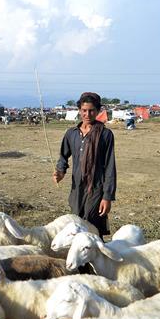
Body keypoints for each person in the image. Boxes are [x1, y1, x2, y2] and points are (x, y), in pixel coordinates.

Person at [53, 91, 116, 237]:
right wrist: (60, 171)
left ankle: (96, 256)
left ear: (98, 110)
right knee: (76, 223)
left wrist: (107, 196)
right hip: (77, 188)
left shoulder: (105, 135)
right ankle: (80, 258)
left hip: (96, 187)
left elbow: (110, 166)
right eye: (84, 111)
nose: (87, 114)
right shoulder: (71, 133)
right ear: (79, 110)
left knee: (92, 225)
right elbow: (63, 156)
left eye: (91, 110)